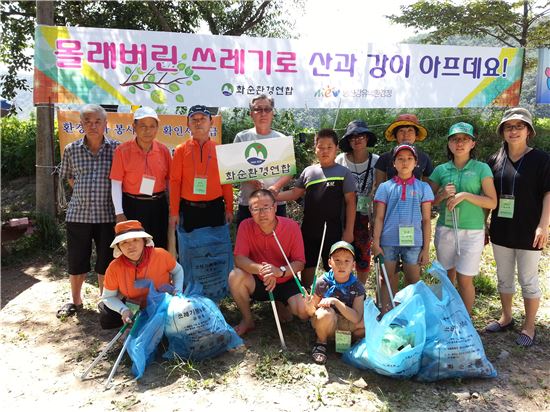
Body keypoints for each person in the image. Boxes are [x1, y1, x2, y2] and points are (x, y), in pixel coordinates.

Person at [484, 108, 550, 347]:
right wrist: (483, 223)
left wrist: (544, 225)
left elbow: (548, 194)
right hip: (501, 229)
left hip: (530, 231)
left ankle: (529, 326)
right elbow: (487, 195)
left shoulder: (541, 159)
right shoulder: (495, 160)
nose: (513, 131)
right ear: (503, 132)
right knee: (503, 278)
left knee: (528, 279)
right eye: (509, 127)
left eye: (519, 126)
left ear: (529, 131)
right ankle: (506, 317)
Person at [57, 104, 119, 318]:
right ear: (81, 124)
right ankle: (75, 300)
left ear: (105, 124)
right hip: (78, 215)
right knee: (77, 259)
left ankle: (105, 301)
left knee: (106, 261)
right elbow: (70, 178)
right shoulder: (71, 150)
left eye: (97, 121)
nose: (93, 126)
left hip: (108, 216)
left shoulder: (117, 149)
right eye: (88, 122)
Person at [429, 122, 497, 314]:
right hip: (445, 230)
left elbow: (492, 202)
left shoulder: (482, 168)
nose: (460, 143)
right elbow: (428, 202)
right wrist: (441, 196)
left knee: (465, 278)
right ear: (449, 144)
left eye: (465, 139)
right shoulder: (440, 170)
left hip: (473, 230)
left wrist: (465, 195)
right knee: (446, 276)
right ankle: (446, 316)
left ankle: (465, 322)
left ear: (473, 143)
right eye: (455, 139)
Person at [277, 129, 356, 288]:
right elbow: (295, 193)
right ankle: (307, 299)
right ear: (315, 149)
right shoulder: (309, 171)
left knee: (335, 267)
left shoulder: (344, 173)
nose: (325, 151)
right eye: (321, 147)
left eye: (329, 147)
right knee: (307, 265)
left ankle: (338, 300)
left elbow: (351, 202)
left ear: (336, 149)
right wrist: (273, 196)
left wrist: (349, 231)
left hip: (334, 229)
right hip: (309, 229)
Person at [228, 189, 309, 336]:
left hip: (286, 279)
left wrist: (279, 271)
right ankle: (247, 320)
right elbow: (239, 258)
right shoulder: (245, 226)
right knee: (235, 276)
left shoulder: (292, 226)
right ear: (250, 211)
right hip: (260, 280)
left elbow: (299, 262)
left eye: (266, 207)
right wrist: (263, 270)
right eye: (256, 209)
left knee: (303, 313)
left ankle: (281, 304)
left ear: (275, 207)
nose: (262, 213)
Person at [372, 144, 433, 314]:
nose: (404, 162)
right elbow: (379, 217)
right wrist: (376, 242)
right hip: (388, 241)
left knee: (413, 279)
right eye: (400, 159)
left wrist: (426, 249)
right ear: (394, 164)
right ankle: (385, 313)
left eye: (409, 159)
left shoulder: (423, 188)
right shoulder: (385, 187)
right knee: (386, 278)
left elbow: (427, 220)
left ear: (416, 163)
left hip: (414, 242)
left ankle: (409, 314)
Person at [99, 220, 183, 329]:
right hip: (133, 304)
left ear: (144, 241)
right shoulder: (114, 267)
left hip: (163, 301)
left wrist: (178, 290)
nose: (130, 245)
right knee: (108, 317)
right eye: (124, 242)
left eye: (135, 240)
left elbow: (178, 270)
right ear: (118, 247)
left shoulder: (161, 255)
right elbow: (108, 297)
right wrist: (124, 310)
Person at [110, 107, 171, 249]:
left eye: (152, 126)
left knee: (159, 247)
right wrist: (119, 212)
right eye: (142, 126)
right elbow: (116, 182)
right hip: (132, 206)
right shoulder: (122, 151)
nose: (147, 130)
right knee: (134, 248)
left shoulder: (163, 151)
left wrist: (172, 208)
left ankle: (157, 272)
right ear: (134, 127)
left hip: (158, 206)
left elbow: (170, 181)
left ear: (157, 129)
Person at [169, 105, 233, 233]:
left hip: (215, 209)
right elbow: (175, 182)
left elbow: (226, 182)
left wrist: (229, 209)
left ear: (211, 122)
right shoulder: (180, 150)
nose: (198, 123)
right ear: (188, 124)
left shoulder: (220, 149)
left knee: (215, 250)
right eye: (194, 119)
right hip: (189, 210)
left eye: (203, 119)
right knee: (191, 249)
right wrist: (174, 212)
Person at [234, 95, 292, 227]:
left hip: (276, 204)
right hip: (248, 204)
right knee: (247, 245)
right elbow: (234, 168)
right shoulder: (241, 137)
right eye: (258, 109)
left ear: (272, 113)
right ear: (251, 114)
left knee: (276, 245)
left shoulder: (282, 139)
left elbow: (289, 171)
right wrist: (251, 180)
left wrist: (276, 187)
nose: (263, 113)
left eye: (267, 109)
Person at [305, 241, 365, 365]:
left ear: (353, 265)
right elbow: (312, 312)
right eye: (337, 260)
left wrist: (335, 301)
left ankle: (345, 341)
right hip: (329, 322)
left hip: (347, 322)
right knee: (324, 314)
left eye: (347, 261)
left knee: (367, 322)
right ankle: (321, 342)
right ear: (329, 263)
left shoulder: (357, 287)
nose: (341, 265)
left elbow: (356, 317)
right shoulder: (322, 282)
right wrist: (308, 304)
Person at [336, 120, 379, 283]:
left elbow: (380, 188)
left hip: (365, 214)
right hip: (343, 213)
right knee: (342, 253)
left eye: (361, 136)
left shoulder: (376, 161)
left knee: (363, 254)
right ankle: (342, 286)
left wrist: (375, 219)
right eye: (352, 137)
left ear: (367, 138)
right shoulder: (341, 160)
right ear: (348, 141)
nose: (357, 139)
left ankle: (360, 289)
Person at [374, 113, 433, 189]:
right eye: (401, 131)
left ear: (416, 135)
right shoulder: (384, 158)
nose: (406, 135)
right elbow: (380, 188)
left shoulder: (424, 158)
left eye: (410, 130)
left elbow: (426, 188)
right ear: (395, 135)